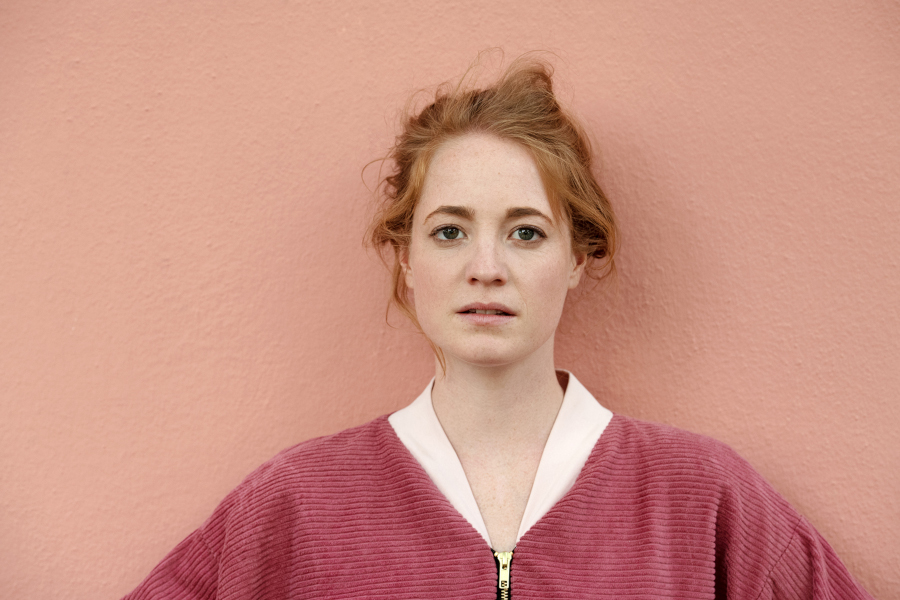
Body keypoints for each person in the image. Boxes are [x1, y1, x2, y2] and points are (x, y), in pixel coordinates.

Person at [123, 57, 873, 599]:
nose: (486, 267)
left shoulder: (704, 500)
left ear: (577, 258)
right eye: (450, 232)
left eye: (525, 233)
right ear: (406, 256)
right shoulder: (295, 505)